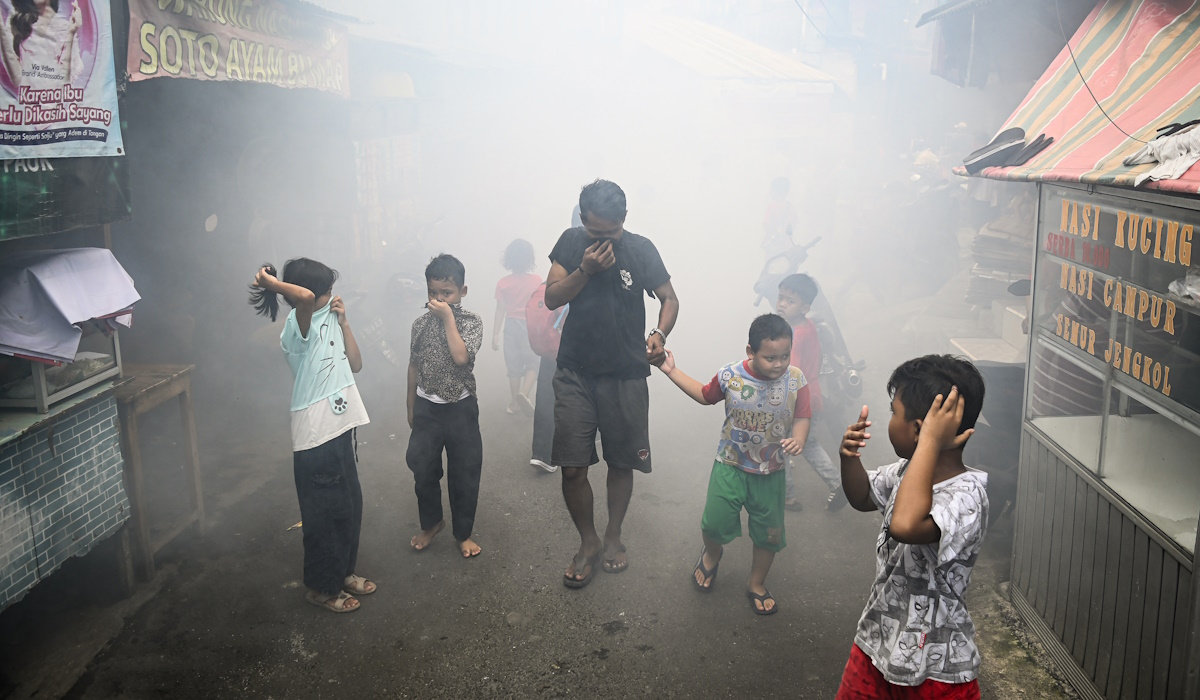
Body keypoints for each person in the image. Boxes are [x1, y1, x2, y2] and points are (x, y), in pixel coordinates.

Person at [546, 179, 679, 588]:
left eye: (612, 232)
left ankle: (614, 536)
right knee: (572, 467)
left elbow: (669, 298)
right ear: (583, 218)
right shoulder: (570, 243)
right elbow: (551, 298)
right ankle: (588, 542)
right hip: (575, 372)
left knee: (622, 462)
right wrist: (585, 269)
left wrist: (659, 334)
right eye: (596, 232)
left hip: (625, 372)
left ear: (624, 219)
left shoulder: (640, 248)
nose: (605, 240)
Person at [836, 355, 988, 699]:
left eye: (893, 412)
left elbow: (905, 525)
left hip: (937, 671)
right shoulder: (906, 471)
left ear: (920, 429)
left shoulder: (967, 496)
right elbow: (862, 496)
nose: (888, 419)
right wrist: (849, 459)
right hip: (876, 646)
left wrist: (930, 443)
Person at [656, 313, 810, 615]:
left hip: (771, 471)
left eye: (784, 356)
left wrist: (800, 439)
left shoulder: (795, 379)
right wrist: (670, 371)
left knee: (769, 534)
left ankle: (756, 583)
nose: (779, 364)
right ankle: (712, 555)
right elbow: (704, 395)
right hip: (730, 464)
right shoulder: (730, 376)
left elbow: (803, 415)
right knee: (714, 524)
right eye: (770, 357)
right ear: (750, 352)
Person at [249, 259, 375, 614]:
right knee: (324, 515)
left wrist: (345, 321)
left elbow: (356, 364)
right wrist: (269, 282)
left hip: (340, 428)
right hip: (316, 435)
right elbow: (303, 296)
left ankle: (343, 573)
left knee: (349, 505)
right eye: (326, 292)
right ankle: (322, 588)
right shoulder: (296, 325)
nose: (332, 296)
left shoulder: (330, 317)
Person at [406, 254, 485, 559]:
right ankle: (432, 522)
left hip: (460, 407)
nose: (438, 300)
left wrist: (448, 318)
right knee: (421, 464)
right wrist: (410, 405)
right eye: (433, 293)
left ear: (462, 292)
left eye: (447, 293)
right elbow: (413, 366)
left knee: (464, 472)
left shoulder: (470, 322)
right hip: (427, 407)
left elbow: (461, 357)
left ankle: (463, 533)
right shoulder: (420, 324)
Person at [775, 273, 845, 511]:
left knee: (782, 445)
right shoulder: (808, 324)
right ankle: (837, 483)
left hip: (796, 400)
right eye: (781, 297)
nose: (782, 303)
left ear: (805, 306)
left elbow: (788, 371)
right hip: (812, 394)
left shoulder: (793, 334)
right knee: (809, 443)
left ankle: (787, 496)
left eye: (789, 300)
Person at [492, 239, 542, 416]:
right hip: (530, 325)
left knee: (513, 366)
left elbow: (500, 310)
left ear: (509, 259)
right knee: (533, 361)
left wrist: (495, 334)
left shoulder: (503, 283)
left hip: (511, 326)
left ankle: (514, 403)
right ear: (530, 259)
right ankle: (524, 393)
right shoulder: (537, 281)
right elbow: (541, 306)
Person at [525, 280, 567, 473]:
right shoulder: (584, 278)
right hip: (572, 350)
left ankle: (541, 454)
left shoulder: (551, 281)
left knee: (545, 396)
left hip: (549, 350)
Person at [0, 0, 84, 92]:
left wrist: (71, 34)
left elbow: (64, 86)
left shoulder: (65, 28)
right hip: (25, 102)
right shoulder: (17, 23)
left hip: (55, 102)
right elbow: (17, 79)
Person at [761, 177, 797, 261]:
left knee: (772, 270)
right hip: (788, 248)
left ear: (776, 191)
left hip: (773, 248)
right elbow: (793, 226)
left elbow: (767, 225)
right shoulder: (790, 207)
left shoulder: (771, 207)